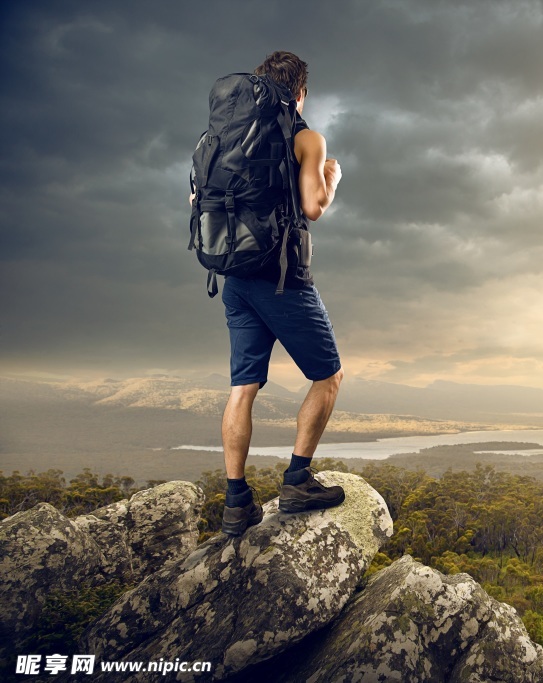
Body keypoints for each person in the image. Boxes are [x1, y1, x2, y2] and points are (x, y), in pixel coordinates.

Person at [191, 51, 345, 536]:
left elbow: (199, 199)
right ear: (301, 93)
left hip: (233, 277)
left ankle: (236, 503)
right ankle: (297, 480)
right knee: (328, 377)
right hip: (281, 279)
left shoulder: (222, 139)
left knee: (243, 388)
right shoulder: (306, 138)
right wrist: (331, 178)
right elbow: (314, 207)